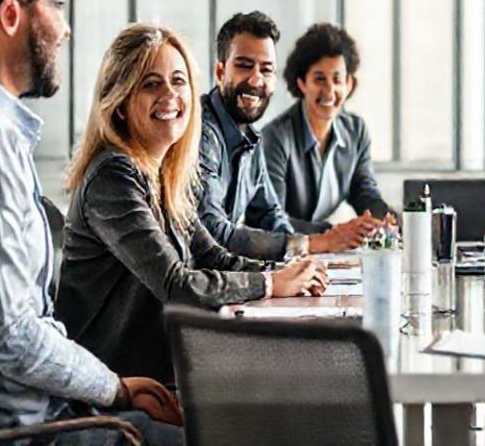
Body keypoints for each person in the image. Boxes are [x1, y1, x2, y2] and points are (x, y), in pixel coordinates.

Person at [0, 0, 182, 444]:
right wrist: (115, 388)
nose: (66, 27)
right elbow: (9, 335)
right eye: (56, 7)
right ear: (12, 15)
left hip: (56, 409)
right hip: (41, 431)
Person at [56, 22, 328, 385]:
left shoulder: (163, 172)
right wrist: (268, 283)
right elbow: (177, 285)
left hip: (168, 365)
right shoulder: (113, 177)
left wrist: (289, 273)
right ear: (120, 103)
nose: (170, 95)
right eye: (151, 83)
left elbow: (214, 256)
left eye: (178, 80)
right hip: (121, 385)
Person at [199, 12, 372, 258]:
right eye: (244, 66)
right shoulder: (200, 134)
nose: (256, 79)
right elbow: (213, 233)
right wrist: (315, 243)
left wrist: (300, 262)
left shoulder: (251, 138)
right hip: (186, 290)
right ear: (220, 72)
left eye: (267, 70)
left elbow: (270, 216)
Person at [261, 22, 394, 236]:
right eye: (319, 79)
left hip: (324, 253)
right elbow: (269, 221)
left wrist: (382, 218)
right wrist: (333, 233)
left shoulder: (356, 131)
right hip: (281, 254)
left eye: (337, 79)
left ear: (349, 84)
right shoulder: (275, 138)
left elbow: (365, 191)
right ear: (302, 83)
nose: (329, 90)